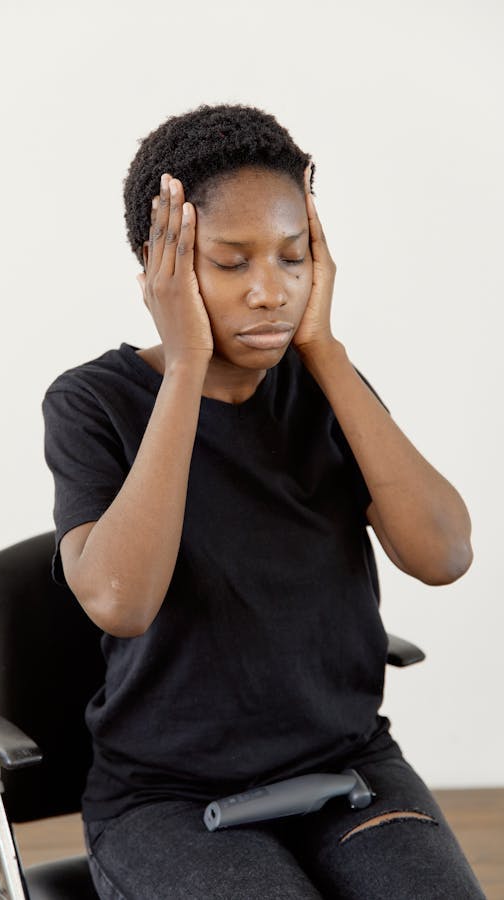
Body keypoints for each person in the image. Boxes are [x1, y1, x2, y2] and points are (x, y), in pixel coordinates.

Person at [42, 104, 484, 899]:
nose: (268, 291)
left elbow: (444, 554)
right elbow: (119, 599)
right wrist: (184, 368)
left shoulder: (326, 389)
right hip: (166, 799)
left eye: (292, 257)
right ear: (161, 265)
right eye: (231, 261)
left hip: (346, 768)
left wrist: (326, 351)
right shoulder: (93, 403)